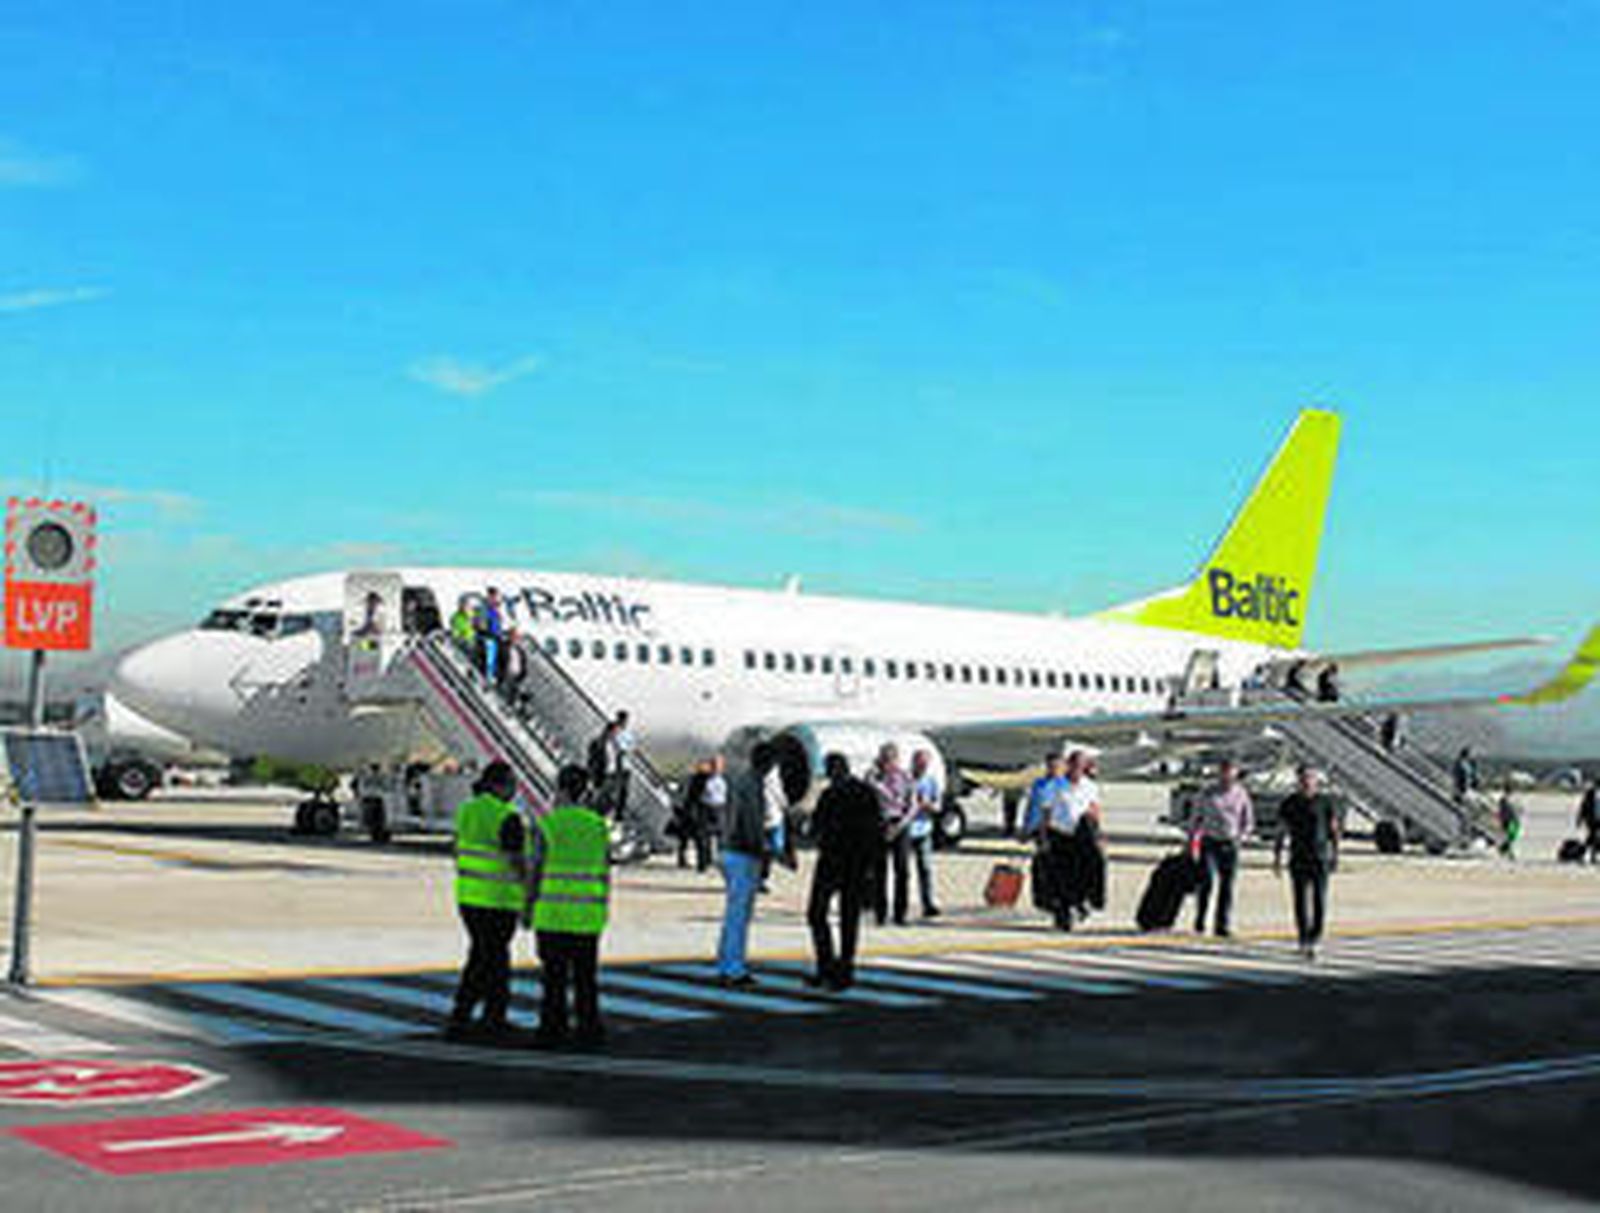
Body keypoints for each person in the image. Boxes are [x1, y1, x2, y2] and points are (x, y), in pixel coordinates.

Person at [445, 760, 530, 1042]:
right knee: (489, 960)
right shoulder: (507, 816)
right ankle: (470, 1017)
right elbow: (515, 860)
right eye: (512, 784)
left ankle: (485, 1016)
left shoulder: (466, 809)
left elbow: (457, 849)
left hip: (469, 898)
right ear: (500, 785)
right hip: (498, 900)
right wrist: (529, 890)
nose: (515, 790)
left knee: (487, 957)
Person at [529, 764, 611, 1049]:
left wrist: (527, 908)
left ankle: (551, 1031)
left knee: (554, 980)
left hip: (552, 916)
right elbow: (605, 871)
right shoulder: (598, 825)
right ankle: (590, 1030)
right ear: (586, 790)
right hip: (587, 916)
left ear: (560, 790)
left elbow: (535, 871)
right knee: (586, 979)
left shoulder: (547, 825)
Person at [806, 753, 882, 990]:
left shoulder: (830, 794)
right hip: (856, 863)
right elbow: (875, 832)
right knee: (849, 919)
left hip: (833, 860)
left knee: (817, 914)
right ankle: (844, 968)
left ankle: (827, 966)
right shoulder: (865, 792)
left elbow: (816, 826)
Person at [715, 743, 771, 986]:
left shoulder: (740, 779)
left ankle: (728, 963)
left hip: (731, 850)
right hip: (742, 853)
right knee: (739, 915)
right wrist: (765, 850)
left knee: (734, 915)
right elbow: (749, 822)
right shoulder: (752, 784)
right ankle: (733, 969)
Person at [1273, 764, 1340, 960]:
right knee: (1300, 901)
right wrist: (1277, 857)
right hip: (1298, 856)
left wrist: (1335, 854)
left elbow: (1333, 830)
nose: (1306, 782)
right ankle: (1303, 938)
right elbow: (1281, 831)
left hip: (1320, 857)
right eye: (1303, 778)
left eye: (1310, 778)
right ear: (1298, 781)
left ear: (1316, 780)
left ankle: (1315, 937)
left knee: (1319, 900)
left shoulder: (1325, 802)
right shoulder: (1289, 803)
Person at [1191, 759, 1253, 938]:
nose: (1226, 775)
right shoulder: (1207, 793)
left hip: (1230, 843)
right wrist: (1192, 841)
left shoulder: (1241, 794)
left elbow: (1248, 820)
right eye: (1223, 771)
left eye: (1230, 771)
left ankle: (1222, 924)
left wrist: (1241, 837)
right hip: (1210, 841)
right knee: (1207, 882)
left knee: (1227, 886)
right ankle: (1200, 919)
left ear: (1235, 773)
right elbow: (1196, 817)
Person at [867, 743, 914, 926]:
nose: (887, 763)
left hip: (900, 824)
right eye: (884, 759)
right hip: (880, 824)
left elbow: (912, 804)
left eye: (891, 759)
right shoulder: (873, 778)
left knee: (902, 871)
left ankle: (900, 914)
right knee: (880, 872)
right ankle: (880, 913)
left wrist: (900, 825)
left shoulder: (905, 777)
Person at [907, 749, 943, 919]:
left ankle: (928, 903)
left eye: (925, 764)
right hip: (906, 829)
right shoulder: (906, 780)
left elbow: (938, 806)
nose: (922, 767)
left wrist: (928, 805)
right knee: (902, 871)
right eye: (919, 764)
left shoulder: (930, 782)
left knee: (925, 868)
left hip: (923, 829)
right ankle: (902, 903)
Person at [676, 758, 716, 872]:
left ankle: (700, 861)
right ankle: (703, 862)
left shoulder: (694, 779)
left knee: (690, 838)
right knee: (701, 838)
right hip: (698, 813)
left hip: (691, 812)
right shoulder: (703, 779)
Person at [475, 587, 506, 681]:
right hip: (486, 638)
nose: (495, 600)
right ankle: (488, 677)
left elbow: (498, 625)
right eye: (493, 597)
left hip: (495, 637)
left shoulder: (495, 610)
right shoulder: (483, 609)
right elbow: (481, 625)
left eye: (496, 597)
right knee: (490, 654)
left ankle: (499, 677)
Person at [1497, 785, 1523, 860]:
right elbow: (1502, 811)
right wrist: (1502, 819)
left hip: (1514, 820)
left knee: (1513, 836)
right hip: (1508, 820)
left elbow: (1519, 808)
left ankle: (1504, 848)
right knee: (1511, 836)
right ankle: (1510, 853)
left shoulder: (1514, 799)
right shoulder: (1503, 800)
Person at [1578, 781, 1600, 864]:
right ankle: (1590, 855)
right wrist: (1580, 819)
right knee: (1592, 838)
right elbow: (1583, 807)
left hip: (1596, 819)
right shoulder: (1590, 794)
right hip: (1592, 819)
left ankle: (1591, 855)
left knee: (1592, 838)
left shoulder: (1591, 794)